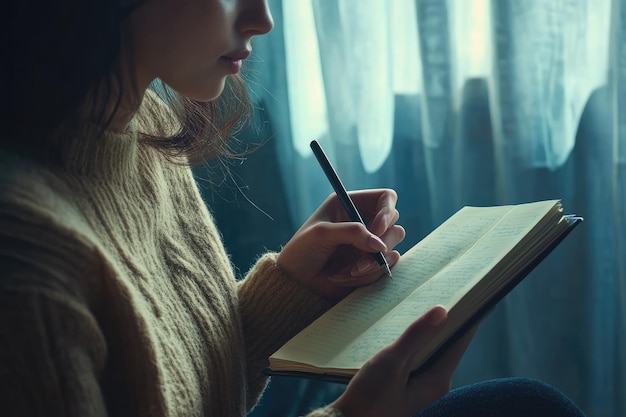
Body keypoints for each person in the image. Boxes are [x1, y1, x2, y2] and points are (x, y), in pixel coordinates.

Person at [0, 1, 588, 416]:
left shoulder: (138, 126)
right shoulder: (29, 267)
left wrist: (291, 285)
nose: (262, 18)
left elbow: (182, 391)